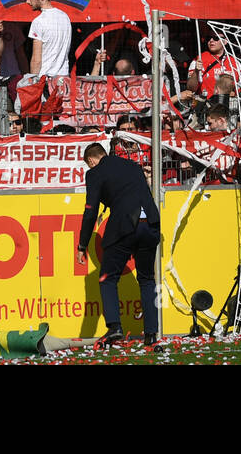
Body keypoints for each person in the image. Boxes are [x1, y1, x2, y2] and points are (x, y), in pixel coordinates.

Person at [76, 142, 161, 348]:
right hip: (150, 224)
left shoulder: (95, 173)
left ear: (91, 161)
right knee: (147, 279)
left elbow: (90, 211)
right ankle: (151, 334)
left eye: (89, 165)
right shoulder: (132, 166)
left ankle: (114, 326)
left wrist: (82, 244)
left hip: (125, 226)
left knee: (107, 278)